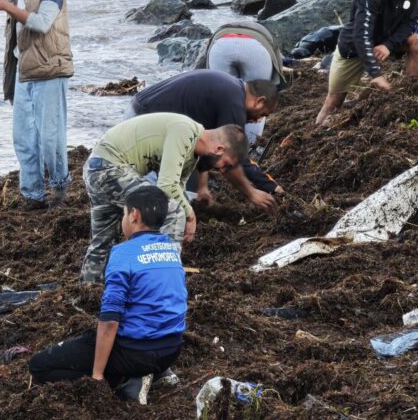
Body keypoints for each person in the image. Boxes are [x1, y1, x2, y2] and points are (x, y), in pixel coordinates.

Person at [30, 186, 186, 405]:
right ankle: (159, 372)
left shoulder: (123, 253)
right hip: (172, 349)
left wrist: (97, 375)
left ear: (134, 215)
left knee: (39, 366)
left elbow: (110, 319)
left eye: (123, 213)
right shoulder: (171, 250)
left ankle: (126, 380)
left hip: (136, 353)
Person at [80, 112, 247, 284]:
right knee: (174, 212)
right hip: (109, 167)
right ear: (219, 149)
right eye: (226, 164)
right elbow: (167, 186)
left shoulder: (193, 152)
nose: (222, 170)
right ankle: (164, 282)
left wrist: (186, 216)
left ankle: (89, 290)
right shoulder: (185, 130)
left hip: (98, 167)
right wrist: (190, 215)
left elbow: (177, 188)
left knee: (103, 241)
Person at [0, 0, 73, 210]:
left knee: (50, 138)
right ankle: (33, 195)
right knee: (23, 138)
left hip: (50, 72)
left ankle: (59, 189)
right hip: (24, 74)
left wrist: (6, 7)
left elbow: (42, 23)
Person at [124, 70, 282, 213]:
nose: (258, 120)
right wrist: (253, 193)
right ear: (259, 101)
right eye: (263, 114)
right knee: (154, 191)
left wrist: (203, 186)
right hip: (144, 122)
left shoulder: (232, 89)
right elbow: (232, 159)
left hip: (141, 109)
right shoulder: (234, 104)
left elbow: (206, 144)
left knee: (177, 189)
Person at [315, 0, 418, 126]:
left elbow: (411, 22)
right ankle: (316, 131)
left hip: (384, 42)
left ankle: (414, 96)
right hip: (354, 46)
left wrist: (388, 45)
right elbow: (361, 35)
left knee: (416, 41)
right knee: (334, 101)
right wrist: (376, 74)